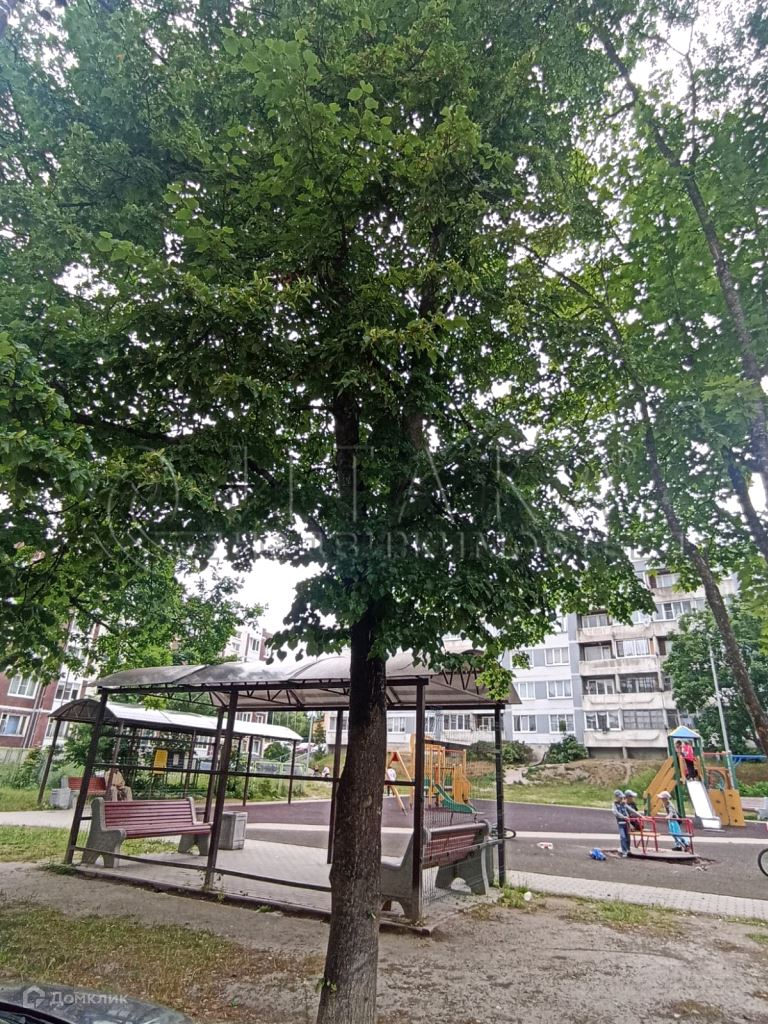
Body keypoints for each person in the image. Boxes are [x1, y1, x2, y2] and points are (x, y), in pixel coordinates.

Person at [612, 789, 632, 857]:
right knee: (623, 837)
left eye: (622, 797)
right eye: (620, 797)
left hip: (627, 823)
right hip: (621, 823)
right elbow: (616, 813)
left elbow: (631, 810)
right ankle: (624, 851)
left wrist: (641, 816)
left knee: (628, 837)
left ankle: (628, 850)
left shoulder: (623, 804)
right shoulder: (614, 804)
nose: (621, 798)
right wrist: (624, 817)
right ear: (616, 797)